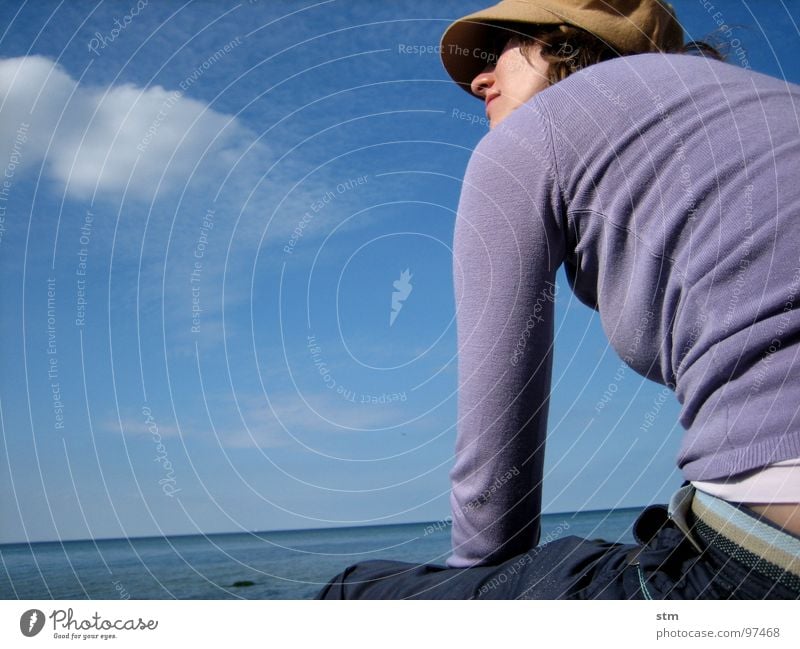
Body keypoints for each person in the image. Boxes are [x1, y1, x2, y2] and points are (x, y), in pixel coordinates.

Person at [316, 0, 800, 599]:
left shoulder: (533, 134)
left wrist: (480, 592)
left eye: (502, 49)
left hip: (767, 562)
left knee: (355, 593)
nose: (478, 78)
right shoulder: (777, 98)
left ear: (567, 44)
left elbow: (497, 473)